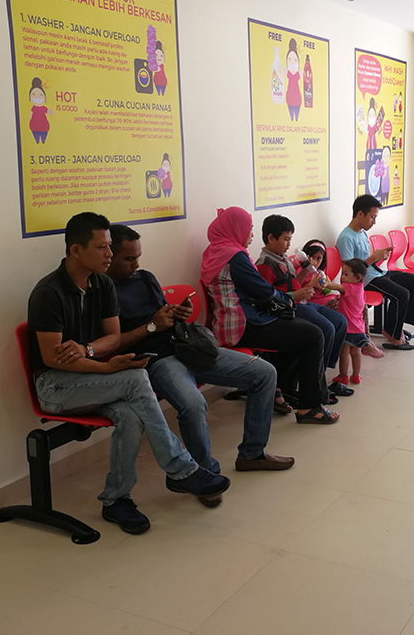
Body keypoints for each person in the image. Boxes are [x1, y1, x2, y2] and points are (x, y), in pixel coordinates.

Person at [27, 212, 229, 535]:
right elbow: (55, 359)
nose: (109, 254)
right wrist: (105, 367)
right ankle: (180, 468)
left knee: (130, 415)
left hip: (90, 378)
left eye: (110, 246)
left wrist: (88, 349)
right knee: (136, 379)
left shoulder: (102, 284)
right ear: (76, 250)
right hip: (55, 386)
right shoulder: (49, 292)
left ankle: (115, 500)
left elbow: (113, 339)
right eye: (102, 248)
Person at [105, 224, 294, 508]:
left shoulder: (145, 278)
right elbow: (112, 343)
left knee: (264, 373)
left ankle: (252, 454)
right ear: (109, 257)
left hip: (186, 346)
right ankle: (205, 474)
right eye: (129, 259)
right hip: (156, 360)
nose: (136, 264)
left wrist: (178, 314)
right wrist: (152, 326)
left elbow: (163, 316)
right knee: (193, 404)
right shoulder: (103, 292)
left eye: (138, 257)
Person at [202, 207, 339, 424]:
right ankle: (309, 407)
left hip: (231, 321)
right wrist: (289, 301)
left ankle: (277, 388)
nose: (251, 235)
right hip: (241, 323)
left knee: (299, 329)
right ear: (236, 229)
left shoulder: (217, 251)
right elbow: (263, 290)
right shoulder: (234, 256)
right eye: (249, 229)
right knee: (312, 334)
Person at [255, 214, 350, 397]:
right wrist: (295, 295)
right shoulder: (265, 263)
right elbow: (266, 298)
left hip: (300, 302)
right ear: (271, 238)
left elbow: (293, 283)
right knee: (327, 328)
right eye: (286, 239)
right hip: (288, 308)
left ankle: (319, 373)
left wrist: (307, 280)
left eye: (290, 239)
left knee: (340, 321)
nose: (289, 244)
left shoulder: (282, 257)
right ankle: (315, 385)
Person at [337, 194, 414, 350]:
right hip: (365, 280)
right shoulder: (346, 238)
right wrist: (374, 257)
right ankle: (393, 335)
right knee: (402, 294)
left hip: (377, 272)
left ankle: (397, 326)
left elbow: (365, 261)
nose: (374, 222)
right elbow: (350, 272)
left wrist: (380, 257)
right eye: (372, 217)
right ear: (360, 214)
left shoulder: (362, 233)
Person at [334, 258, 385, 389]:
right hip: (358, 327)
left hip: (348, 328)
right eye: (343, 274)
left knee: (344, 353)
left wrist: (323, 283)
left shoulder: (349, 287)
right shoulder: (360, 288)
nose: (342, 277)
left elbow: (336, 287)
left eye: (346, 274)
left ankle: (343, 376)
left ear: (357, 277)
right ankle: (356, 376)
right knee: (356, 353)